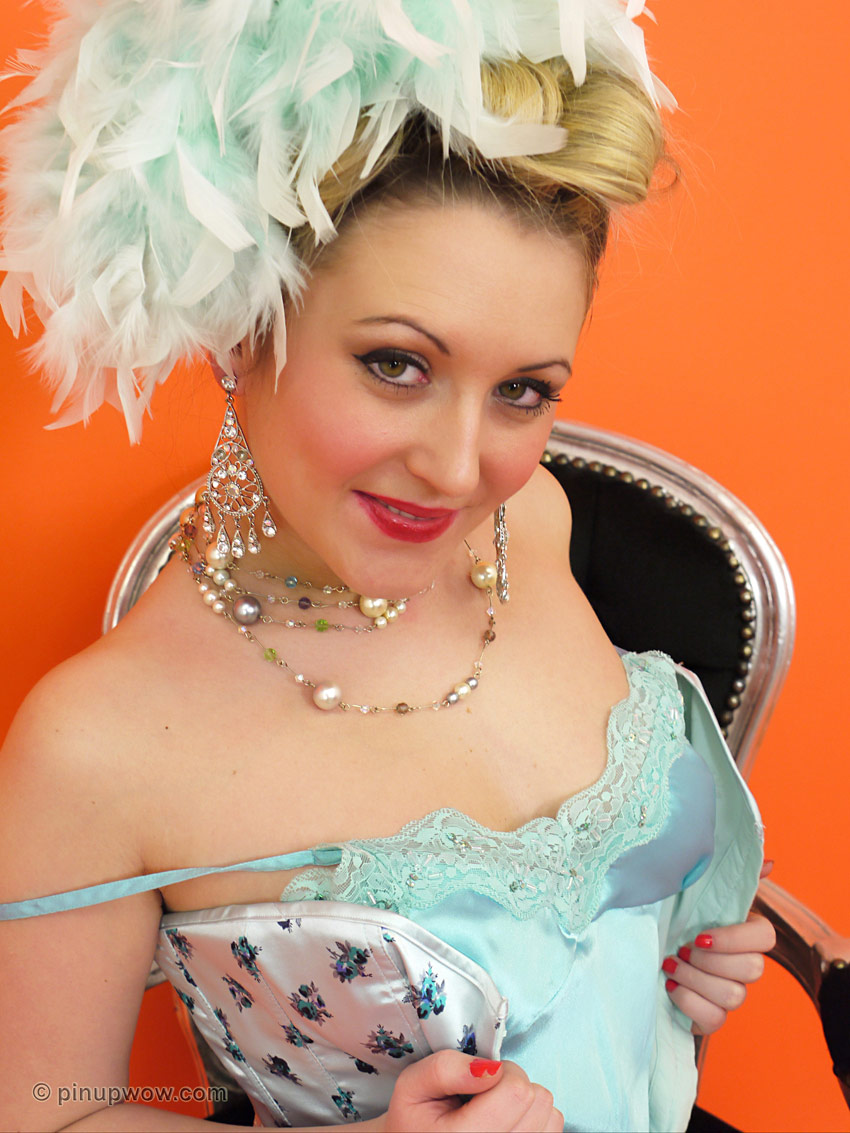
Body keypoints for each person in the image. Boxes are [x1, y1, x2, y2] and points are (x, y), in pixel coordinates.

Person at [0, 2, 775, 1131]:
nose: (459, 471)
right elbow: (45, 1112)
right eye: (397, 365)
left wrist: (669, 957)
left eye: (523, 391)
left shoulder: (534, 523)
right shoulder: (96, 745)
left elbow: (585, 932)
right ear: (243, 327)